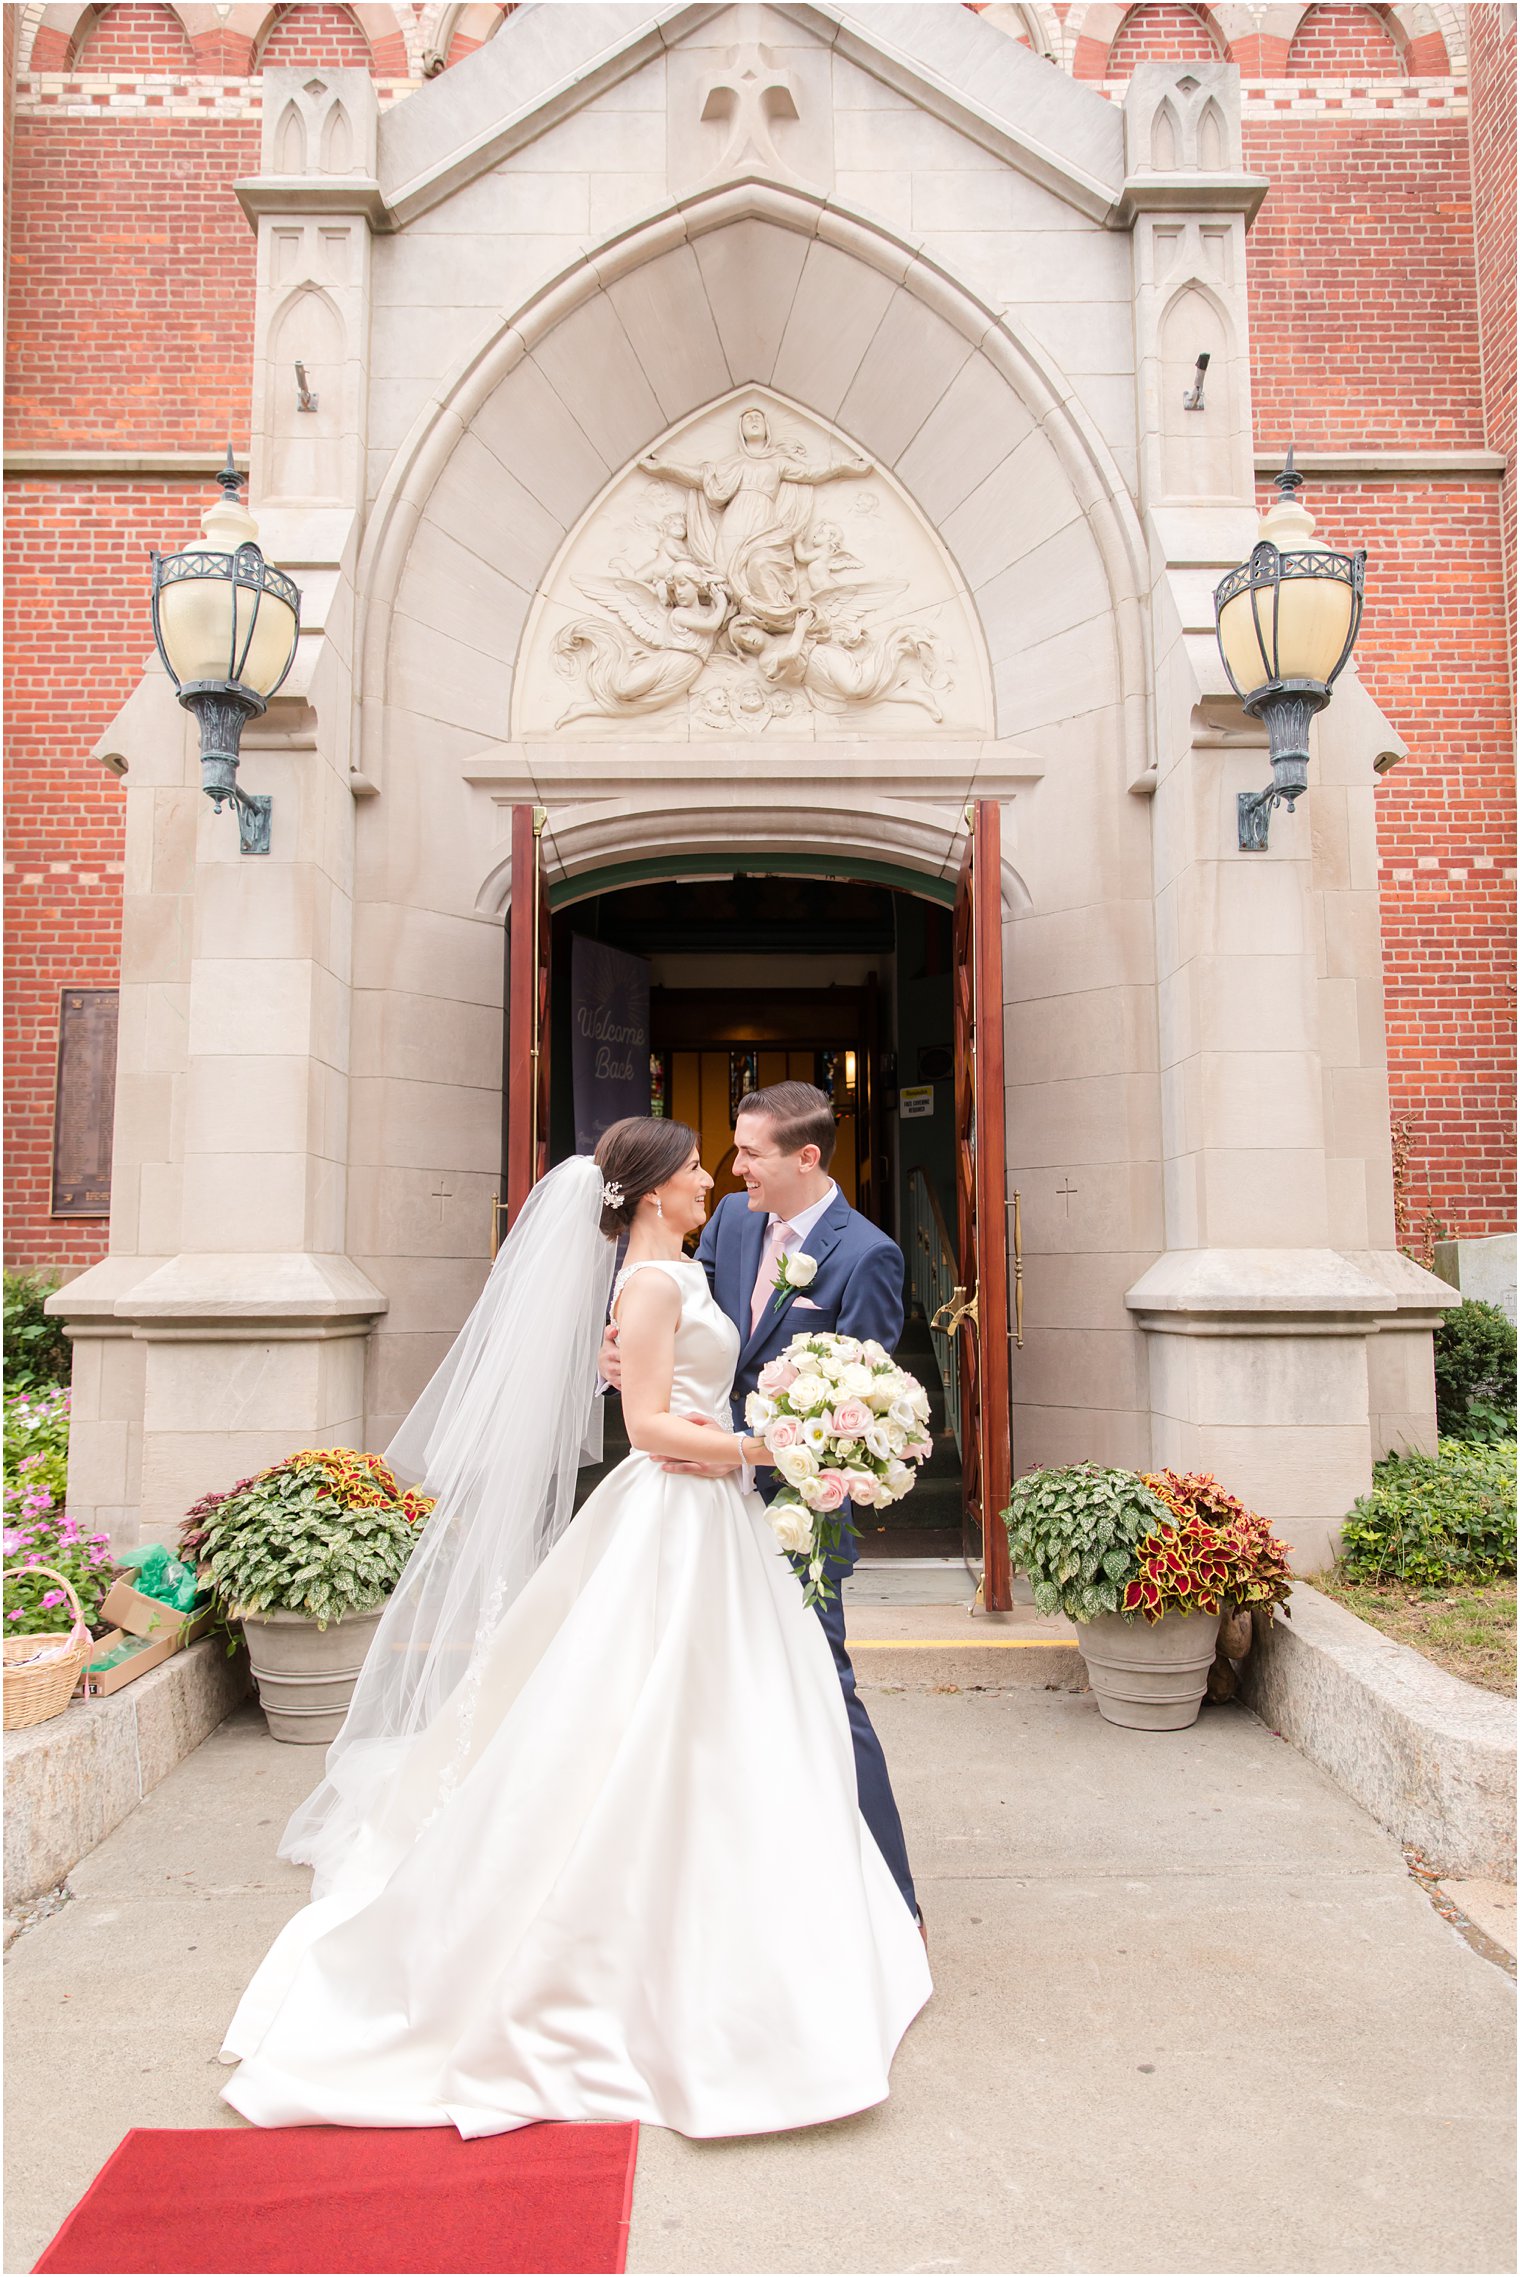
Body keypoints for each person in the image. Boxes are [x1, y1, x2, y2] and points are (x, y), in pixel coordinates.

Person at [218, 1120, 930, 2138]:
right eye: (691, 1170)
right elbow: (645, 1426)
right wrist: (756, 1444)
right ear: (647, 1195)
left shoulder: (680, 1269)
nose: (709, 1183)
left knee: (737, 1707)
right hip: (677, 1505)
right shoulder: (648, 1285)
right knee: (638, 1705)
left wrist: (780, 1428)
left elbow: (674, 1372)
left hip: (714, 1511)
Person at [600, 1080, 920, 1928]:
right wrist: (627, 1355)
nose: (730, 1166)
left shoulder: (869, 1254)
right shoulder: (734, 1226)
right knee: (695, 1693)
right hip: (694, 1502)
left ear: (805, 1157)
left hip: (790, 1516)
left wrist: (749, 1459)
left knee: (821, 1688)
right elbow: (683, 1318)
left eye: (748, 1152)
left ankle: (892, 1894)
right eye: (727, 1152)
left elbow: (862, 1414)